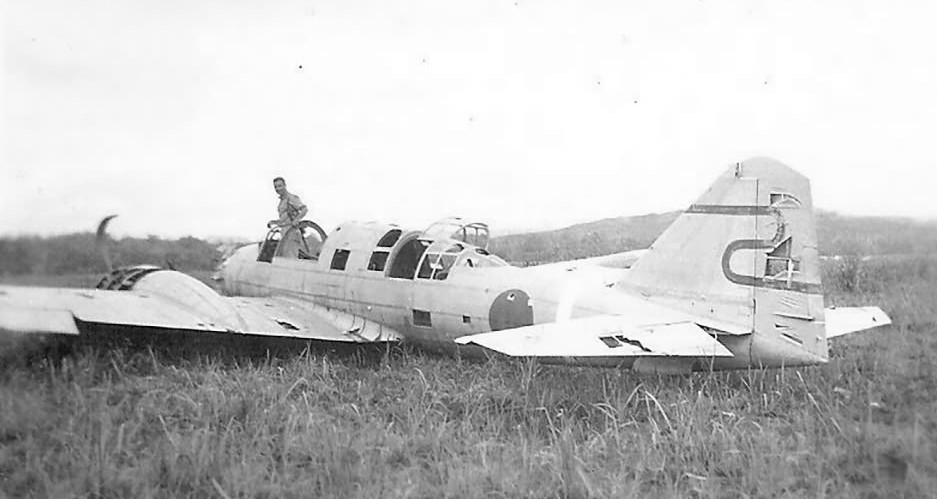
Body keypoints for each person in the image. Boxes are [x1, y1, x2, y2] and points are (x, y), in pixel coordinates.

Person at [267, 177, 308, 257]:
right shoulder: (282, 201)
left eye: (280, 186)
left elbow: (304, 209)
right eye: (275, 187)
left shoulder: (291, 198)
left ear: (285, 186)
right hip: (284, 233)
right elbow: (283, 219)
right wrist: (274, 222)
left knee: (291, 259)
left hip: (292, 233)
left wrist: (296, 220)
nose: (278, 189)